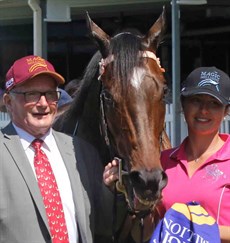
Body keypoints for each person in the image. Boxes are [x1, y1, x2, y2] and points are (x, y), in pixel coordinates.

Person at [104, 66, 230, 243]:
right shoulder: (162, 162)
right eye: (196, 100)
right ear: (182, 105)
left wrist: (198, 228)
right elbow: (142, 235)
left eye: (214, 104)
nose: (203, 110)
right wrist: (133, 201)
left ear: (226, 111)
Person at [0, 55, 116, 243]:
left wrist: (110, 191)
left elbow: (103, 227)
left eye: (50, 94)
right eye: (32, 94)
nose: (44, 103)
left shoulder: (82, 152)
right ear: (9, 102)